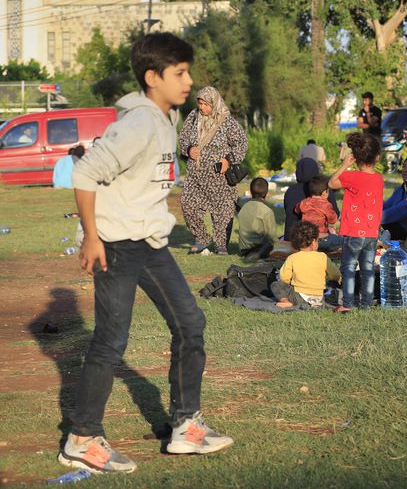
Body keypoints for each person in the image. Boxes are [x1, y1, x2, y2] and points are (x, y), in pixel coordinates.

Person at [63, 33, 232, 474]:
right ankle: (81, 438)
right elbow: (84, 174)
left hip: (150, 241)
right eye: (179, 73)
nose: (189, 81)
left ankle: (185, 426)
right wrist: (91, 237)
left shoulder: (166, 117)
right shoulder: (137, 124)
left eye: (188, 71)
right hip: (117, 244)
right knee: (111, 340)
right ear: (152, 77)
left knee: (190, 322)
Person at [179, 86, 248, 255]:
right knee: (188, 205)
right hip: (195, 176)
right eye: (200, 103)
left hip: (219, 178)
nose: (202, 107)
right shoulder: (193, 117)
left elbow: (241, 143)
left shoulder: (227, 121)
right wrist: (188, 150)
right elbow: (183, 138)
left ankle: (221, 244)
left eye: (205, 104)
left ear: (214, 103)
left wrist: (228, 160)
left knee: (222, 212)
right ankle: (202, 238)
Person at [328, 132, 383, 312]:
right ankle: (367, 304)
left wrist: (345, 164)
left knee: (349, 269)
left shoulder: (352, 177)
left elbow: (331, 183)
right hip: (371, 233)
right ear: (376, 157)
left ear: (356, 156)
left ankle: (348, 304)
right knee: (368, 269)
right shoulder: (379, 179)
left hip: (353, 232)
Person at [271, 221, 342, 309]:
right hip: (319, 297)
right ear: (313, 241)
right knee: (331, 283)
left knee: (275, 285)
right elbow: (335, 274)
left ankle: (285, 301)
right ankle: (316, 302)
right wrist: (339, 280)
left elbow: (283, 278)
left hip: (299, 297)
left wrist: (289, 282)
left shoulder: (292, 258)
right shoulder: (323, 257)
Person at [283, 157, 339, 239]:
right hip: (316, 237)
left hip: (292, 236)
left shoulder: (290, 190)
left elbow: (290, 211)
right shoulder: (323, 188)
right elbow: (335, 214)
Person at [296, 176, 342, 252]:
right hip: (321, 239)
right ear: (324, 193)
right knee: (342, 240)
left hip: (306, 239)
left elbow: (296, 209)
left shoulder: (304, 202)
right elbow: (333, 220)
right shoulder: (326, 205)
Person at [237, 177, 277, 261]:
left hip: (244, 250)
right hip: (260, 249)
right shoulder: (267, 211)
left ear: (251, 192)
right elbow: (272, 238)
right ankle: (257, 255)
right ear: (267, 193)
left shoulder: (244, 207)